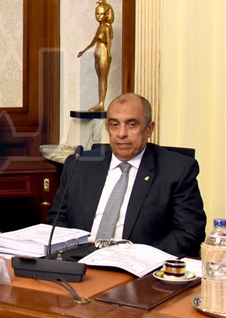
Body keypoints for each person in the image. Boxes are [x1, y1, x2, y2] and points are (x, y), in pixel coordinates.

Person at [47, 93, 206, 257]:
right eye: (114, 125)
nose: (121, 133)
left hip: (139, 266)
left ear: (149, 129)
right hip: (80, 262)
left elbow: (189, 233)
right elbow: (57, 223)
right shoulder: (79, 165)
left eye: (131, 124)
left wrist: (140, 257)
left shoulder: (176, 170)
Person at [77, 0, 114, 112]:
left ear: (107, 14)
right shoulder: (100, 27)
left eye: (101, 14)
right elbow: (93, 41)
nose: (98, 16)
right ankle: (100, 102)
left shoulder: (107, 27)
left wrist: (108, 53)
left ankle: (101, 102)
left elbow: (108, 41)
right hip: (97, 52)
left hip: (103, 53)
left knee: (103, 79)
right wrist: (83, 51)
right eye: (97, 14)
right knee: (99, 79)